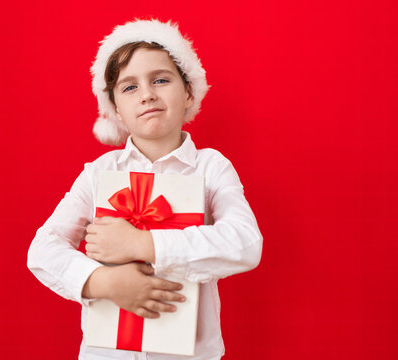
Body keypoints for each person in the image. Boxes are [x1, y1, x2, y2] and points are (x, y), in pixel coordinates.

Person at [27, 18, 263, 359]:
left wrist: (144, 243)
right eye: (129, 87)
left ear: (188, 92)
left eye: (161, 80)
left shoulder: (211, 168)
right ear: (116, 112)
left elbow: (245, 242)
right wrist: (103, 282)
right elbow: (42, 250)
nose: (147, 94)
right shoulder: (98, 174)